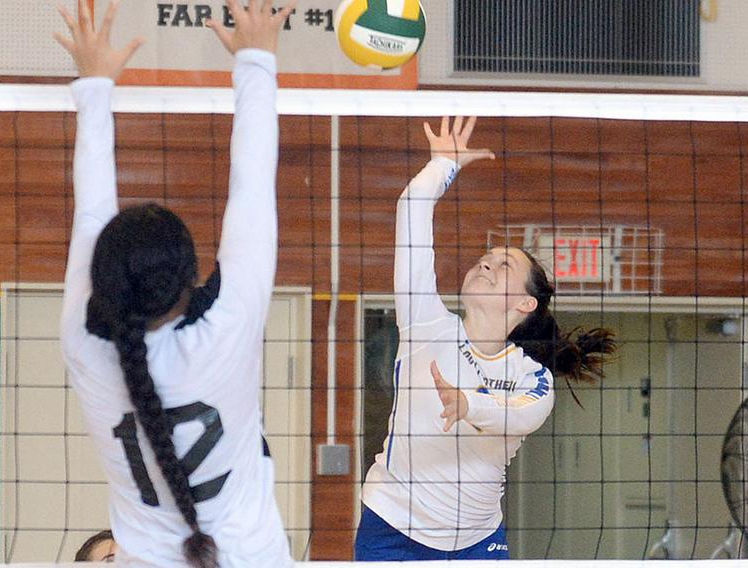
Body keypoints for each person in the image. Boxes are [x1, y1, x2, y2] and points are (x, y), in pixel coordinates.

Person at [56, 0, 295, 566]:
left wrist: (95, 86)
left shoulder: (84, 341)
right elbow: (253, 186)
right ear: (191, 279)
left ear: (104, 279)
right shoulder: (226, 324)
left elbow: (92, 215)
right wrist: (255, 58)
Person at [355, 117, 617, 561]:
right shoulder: (425, 324)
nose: (487, 264)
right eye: (487, 258)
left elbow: (518, 417)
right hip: (393, 526)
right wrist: (443, 166)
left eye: (505, 266)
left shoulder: (531, 376)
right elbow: (411, 209)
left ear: (524, 305)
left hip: (476, 540)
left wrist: (468, 405)